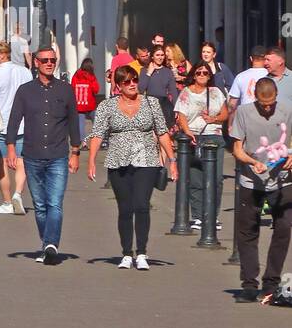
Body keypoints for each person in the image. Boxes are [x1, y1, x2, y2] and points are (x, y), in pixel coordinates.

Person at [87, 66, 176, 271]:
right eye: (126, 81)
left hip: (146, 160)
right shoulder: (107, 107)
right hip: (118, 161)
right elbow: (98, 134)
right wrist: (91, 160)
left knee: (142, 205)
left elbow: (162, 133)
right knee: (125, 209)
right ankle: (127, 253)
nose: (132, 84)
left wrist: (172, 159)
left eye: (134, 80)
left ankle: (142, 252)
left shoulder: (151, 103)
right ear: (118, 85)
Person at [4, 45, 81, 263]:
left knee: (54, 203)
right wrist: (11, 148)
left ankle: (50, 244)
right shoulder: (25, 90)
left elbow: (74, 122)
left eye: (53, 60)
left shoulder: (66, 90)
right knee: (39, 205)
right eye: (45, 60)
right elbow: (14, 120)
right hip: (32, 154)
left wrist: (75, 151)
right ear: (36, 63)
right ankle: (46, 243)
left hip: (58, 154)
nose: (49, 63)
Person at [230, 77, 292, 303]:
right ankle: (249, 284)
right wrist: (250, 162)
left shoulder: (287, 110)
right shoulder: (244, 112)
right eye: (263, 104)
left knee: (284, 227)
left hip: (283, 179)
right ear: (255, 98)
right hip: (251, 180)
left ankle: (271, 282)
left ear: (277, 96)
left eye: (271, 103)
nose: (267, 108)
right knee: (247, 230)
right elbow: (237, 148)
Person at [174, 62, 229, 231]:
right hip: (194, 137)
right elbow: (181, 115)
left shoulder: (216, 92)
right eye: (199, 72)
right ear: (194, 74)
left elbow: (225, 113)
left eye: (206, 73)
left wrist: (215, 119)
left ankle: (213, 215)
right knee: (196, 178)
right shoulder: (186, 92)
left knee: (216, 179)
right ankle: (198, 216)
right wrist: (187, 131)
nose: (203, 75)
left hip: (213, 136)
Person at [0, 42, 30, 214]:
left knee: (2, 163)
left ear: (2, 54)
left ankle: (7, 201)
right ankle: (18, 194)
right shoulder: (24, 71)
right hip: (22, 123)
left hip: (1, 123)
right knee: (21, 162)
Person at [141, 43, 179, 128]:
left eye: (162, 55)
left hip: (164, 105)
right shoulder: (144, 70)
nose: (160, 57)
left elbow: (173, 91)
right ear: (152, 56)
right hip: (149, 104)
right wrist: (149, 73)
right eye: (157, 55)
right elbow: (141, 89)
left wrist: (176, 108)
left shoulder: (168, 71)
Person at [228, 46, 270, 114]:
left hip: (245, 115)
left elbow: (232, 103)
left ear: (251, 58)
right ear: (265, 59)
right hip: (265, 114)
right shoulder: (270, 76)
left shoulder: (240, 76)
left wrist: (230, 122)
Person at [70, 56, 101, 147]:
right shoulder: (91, 77)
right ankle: (97, 140)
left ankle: (83, 143)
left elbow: (72, 87)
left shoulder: (76, 75)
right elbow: (96, 90)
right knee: (97, 121)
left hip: (79, 104)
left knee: (81, 124)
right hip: (90, 104)